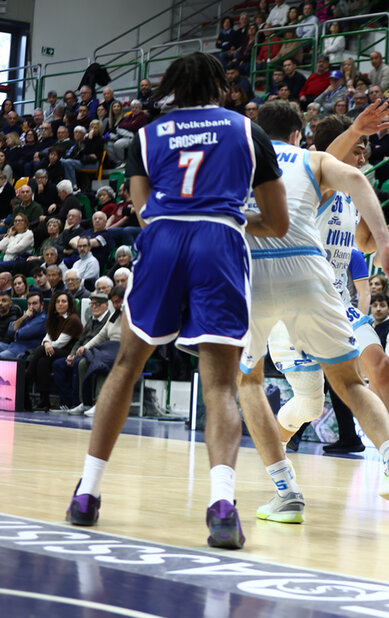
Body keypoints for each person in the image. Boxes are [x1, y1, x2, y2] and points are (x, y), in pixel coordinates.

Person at [62, 53, 291, 550]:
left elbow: (143, 212)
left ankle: (88, 492)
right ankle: (223, 505)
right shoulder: (248, 132)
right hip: (219, 244)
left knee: (126, 364)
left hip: (163, 241)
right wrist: (227, 215)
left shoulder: (146, 136)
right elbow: (278, 222)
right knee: (221, 385)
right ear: (218, 87)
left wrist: (180, 214)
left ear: (172, 89)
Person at [237, 102, 389, 525]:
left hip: (268, 281)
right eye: (358, 147)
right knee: (317, 399)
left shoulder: (242, 161)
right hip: (311, 279)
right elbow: (338, 161)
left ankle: (290, 486)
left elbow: (360, 238)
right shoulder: (316, 166)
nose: (362, 155)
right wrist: (384, 239)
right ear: (297, 137)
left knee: (251, 383)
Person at [25, 290, 82, 410]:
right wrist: (46, 344)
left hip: (69, 352)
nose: (60, 304)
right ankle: (45, 401)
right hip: (54, 351)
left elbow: (60, 343)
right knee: (42, 362)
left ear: (69, 304)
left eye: (64, 301)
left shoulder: (73, 319)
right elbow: (47, 337)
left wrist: (46, 345)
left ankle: (26, 378)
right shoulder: (55, 317)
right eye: (58, 301)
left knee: (41, 350)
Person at [0, 291, 46, 359]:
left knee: (1, 356)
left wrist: (16, 331)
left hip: (23, 351)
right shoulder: (28, 316)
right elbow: (11, 331)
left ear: (42, 305)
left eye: (34, 303)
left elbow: (21, 333)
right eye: (29, 304)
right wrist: (24, 317)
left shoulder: (43, 319)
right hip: (12, 346)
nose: (31, 307)